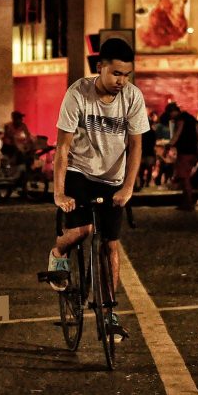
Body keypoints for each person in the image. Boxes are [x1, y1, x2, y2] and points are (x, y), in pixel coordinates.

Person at [47, 38, 149, 341]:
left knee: (110, 245)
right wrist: (59, 192)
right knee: (83, 229)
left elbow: (136, 144)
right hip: (80, 170)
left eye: (127, 74)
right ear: (100, 67)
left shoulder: (132, 97)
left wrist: (128, 187)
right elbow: (62, 148)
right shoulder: (78, 93)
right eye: (116, 73)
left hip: (113, 178)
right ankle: (58, 252)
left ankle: (109, 314)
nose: (122, 80)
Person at [165, 102, 198, 211]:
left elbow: (177, 134)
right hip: (193, 151)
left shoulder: (181, 119)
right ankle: (186, 202)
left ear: (174, 112)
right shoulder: (192, 118)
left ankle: (188, 202)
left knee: (185, 178)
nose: (171, 117)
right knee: (185, 176)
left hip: (185, 151)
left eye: (170, 114)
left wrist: (169, 145)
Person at [137, 112, 158, 191]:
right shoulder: (152, 132)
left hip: (142, 152)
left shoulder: (141, 132)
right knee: (149, 169)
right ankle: (147, 182)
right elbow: (154, 143)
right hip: (150, 152)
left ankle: (142, 182)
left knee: (142, 169)